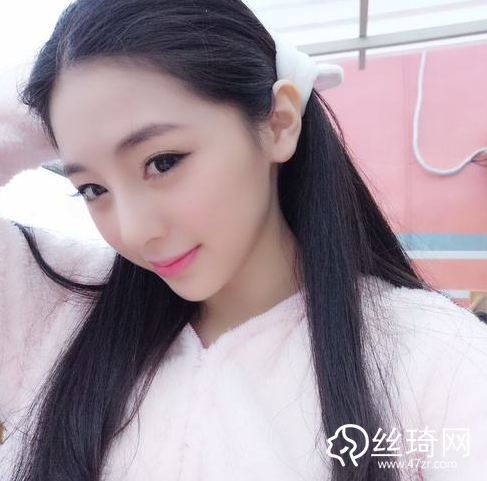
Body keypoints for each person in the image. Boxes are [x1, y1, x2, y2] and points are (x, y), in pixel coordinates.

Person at [1, 0, 486, 480]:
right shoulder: (58, 311)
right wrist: (64, 78)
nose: (133, 232)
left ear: (279, 122)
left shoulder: (433, 358)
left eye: (163, 162)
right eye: (93, 189)